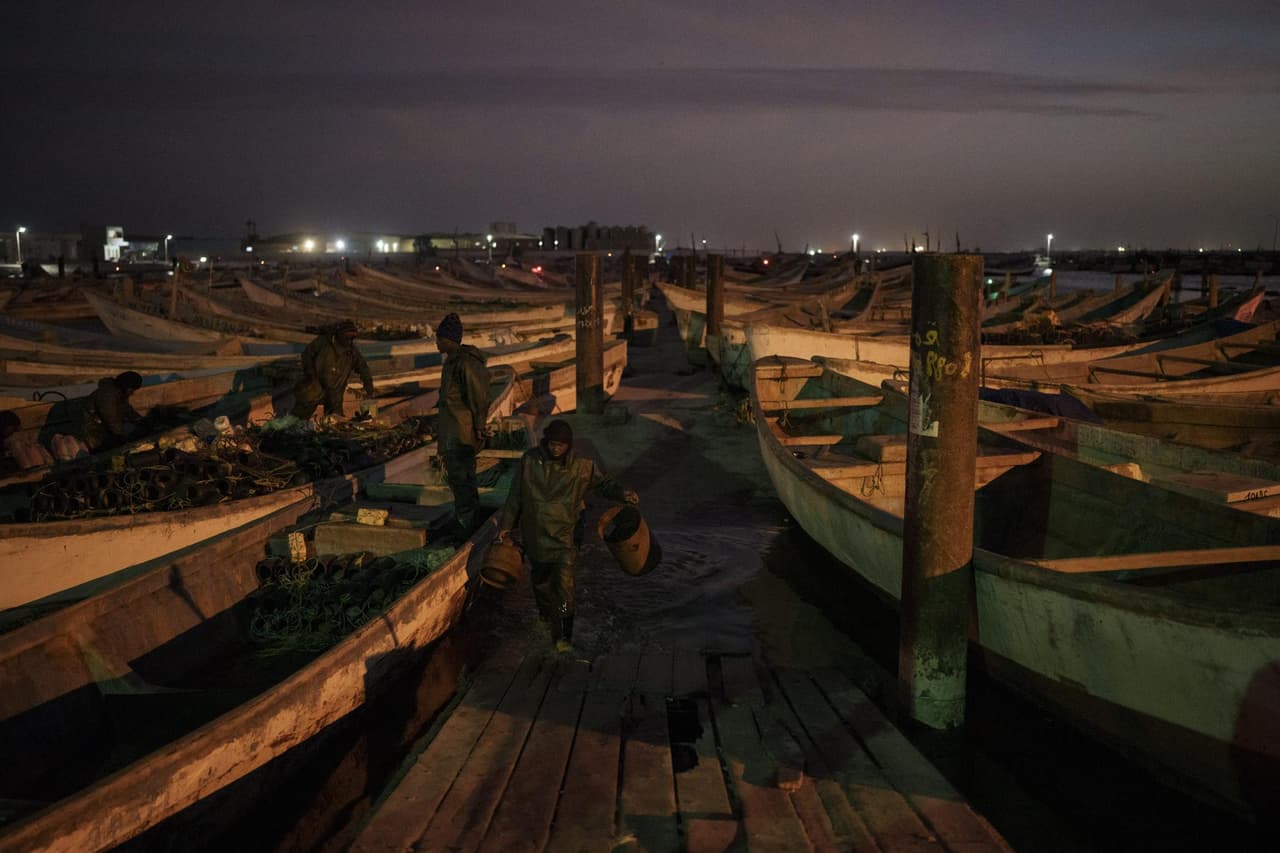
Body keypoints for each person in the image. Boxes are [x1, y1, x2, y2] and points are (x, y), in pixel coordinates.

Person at [495, 419, 639, 654]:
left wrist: (623, 493)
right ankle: (544, 616)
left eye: (561, 445)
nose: (555, 449)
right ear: (545, 442)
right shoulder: (530, 460)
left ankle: (563, 637)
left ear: (569, 446)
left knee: (564, 586)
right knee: (541, 582)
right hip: (535, 533)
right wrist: (506, 525)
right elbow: (516, 495)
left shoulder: (583, 466)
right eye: (552, 444)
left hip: (566, 536)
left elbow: (604, 484)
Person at [435, 311, 491, 537]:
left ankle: (468, 525)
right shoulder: (452, 361)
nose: (436, 343)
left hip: (461, 432)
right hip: (453, 430)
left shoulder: (465, 362)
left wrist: (478, 426)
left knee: (463, 478)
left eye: (438, 339)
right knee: (460, 478)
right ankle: (466, 520)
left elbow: (478, 396)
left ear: (448, 339)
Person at [290, 320, 375, 419]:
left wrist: (368, 385)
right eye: (347, 337)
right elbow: (307, 355)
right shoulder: (323, 342)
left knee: (335, 420)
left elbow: (363, 368)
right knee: (298, 418)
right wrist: (310, 373)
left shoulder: (352, 352)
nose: (350, 340)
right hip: (315, 386)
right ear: (339, 334)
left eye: (352, 337)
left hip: (335, 393)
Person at [80, 370, 144, 451]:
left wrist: (140, 420)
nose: (132, 392)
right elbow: (110, 417)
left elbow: (127, 409)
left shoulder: (119, 393)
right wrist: (121, 435)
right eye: (132, 389)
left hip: (104, 426)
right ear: (126, 386)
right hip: (92, 429)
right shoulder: (107, 394)